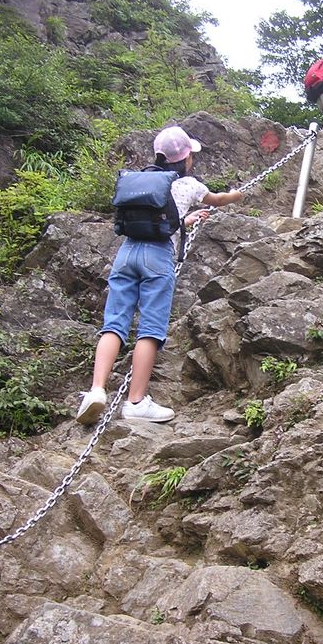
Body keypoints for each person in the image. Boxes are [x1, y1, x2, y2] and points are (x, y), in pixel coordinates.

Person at [76, 125, 243, 425]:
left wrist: (186, 220)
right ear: (186, 158)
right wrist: (235, 195)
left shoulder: (142, 179)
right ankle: (136, 402)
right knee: (150, 328)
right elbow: (217, 200)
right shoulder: (189, 184)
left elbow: (161, 219)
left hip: (127, 253)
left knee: (114, 323)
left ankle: (96, 390)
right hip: (157, 257)